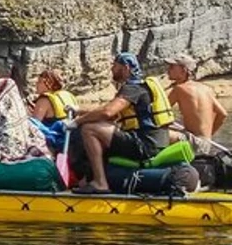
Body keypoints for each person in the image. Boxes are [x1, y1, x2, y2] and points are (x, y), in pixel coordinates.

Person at [72, 51, 181, 193]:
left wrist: (78, 122)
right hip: (155, 143)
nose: (112, 69)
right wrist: (79, 110)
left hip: (145, 145)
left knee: (89, 129)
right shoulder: (140, 87)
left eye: (115, 66)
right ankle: (89, 178)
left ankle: (100, 183)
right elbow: (110, 115)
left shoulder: (132, 88)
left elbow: (107, 112)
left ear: (126, 68)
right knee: (101, 129)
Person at [165, 53, 229, 140]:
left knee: (156, 134)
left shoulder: (179, 89)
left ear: (183, 70)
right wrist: (208, 136)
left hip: (192, 141)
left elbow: (160, 112)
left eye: (172, 67)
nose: (168, 70)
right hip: (206, 142)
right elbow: (223, 114)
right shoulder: (206, 89)